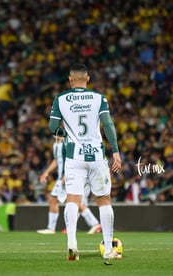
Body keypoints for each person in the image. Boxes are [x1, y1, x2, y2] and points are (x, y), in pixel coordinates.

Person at [48, 63, 122, 261]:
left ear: (70, 79)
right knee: (103, 200)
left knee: (73, 199)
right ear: (88, 78)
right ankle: (108, 249)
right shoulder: (99, 98)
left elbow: (53, 126)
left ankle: (72, 244)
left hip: (74, 156)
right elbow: (107, 124)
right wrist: (115, 151)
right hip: (97, 156)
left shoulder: (61, 99)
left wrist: (65, 134)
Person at [37, 134, 101, 235]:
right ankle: (94, 224)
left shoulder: (67, 142)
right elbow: (56, 160)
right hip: (61, 177)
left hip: (68, 176)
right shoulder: (56, 144)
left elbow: (72, 159)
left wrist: (66, 175)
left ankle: (94, 224)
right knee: (58, 200)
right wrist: (47, 172)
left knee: (58, 199)